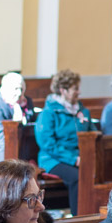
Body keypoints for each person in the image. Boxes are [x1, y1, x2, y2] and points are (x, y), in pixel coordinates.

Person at [35, 70, 97, 214]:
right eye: (75, 89)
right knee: (78, 177)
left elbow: (93, 135)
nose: (79, 92)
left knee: (98, 173)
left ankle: (94, 214)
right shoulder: (49, 113)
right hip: (53, 160)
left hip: (80, 158)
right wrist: (73, 159)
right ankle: (79, 217)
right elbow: (47, 144)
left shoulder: (83, 111)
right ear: (63, 90)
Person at [0, 72, 35, 160]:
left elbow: (31, 127)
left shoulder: (27, 101)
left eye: (21, 89)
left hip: (24, 146)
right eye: (15, 89)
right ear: (6, 89)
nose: (19, 93)